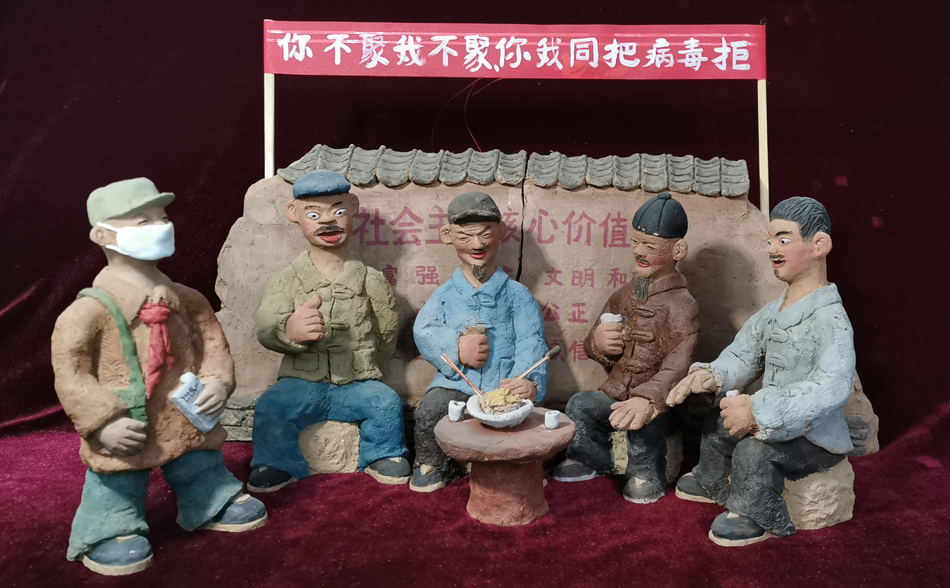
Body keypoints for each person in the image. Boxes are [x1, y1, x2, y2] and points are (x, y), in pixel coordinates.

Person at [51, 177, 266, 576]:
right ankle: (110, 525)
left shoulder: (188, 300)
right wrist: (102, 421)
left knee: (198, 457)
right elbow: (72, 372)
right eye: (142, 221)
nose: (160, 228)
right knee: (118, 474)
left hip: (183, 409)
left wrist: (217, 381)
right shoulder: (88, 312)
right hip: (127, 416)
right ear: (102, 235)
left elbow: (213, 345)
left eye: (162, 218)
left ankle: (210, 498)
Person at [667, 196, 855, 546]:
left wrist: (758, 411)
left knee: (753, 452)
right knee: (718, 425)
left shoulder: (832, 319)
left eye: (783, 239)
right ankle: (711, 479)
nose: (772, 250)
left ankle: (751, 512)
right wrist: (713, 375)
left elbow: (831, 387)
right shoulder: (773, 311)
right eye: (770, 241)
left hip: (813, 435)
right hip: (771, 419)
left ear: (819, 245)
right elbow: (744, 354)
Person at [247, 170, 409, 492]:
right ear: (293, 214)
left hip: (356, 381)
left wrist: (368, 366)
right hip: (303, 381)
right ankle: (276, 461)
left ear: (353, 207)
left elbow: (386, 330)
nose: (327, 221)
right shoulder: (288, 280)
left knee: (385, 403)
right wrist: (289, 331)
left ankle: (383, 453)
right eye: (313, 214)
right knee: (272, 406)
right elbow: (265, 325)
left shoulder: (371, 280)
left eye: (338, 210)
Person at [552, 192, 699, 504]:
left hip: (657, 404)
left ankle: (646, 474)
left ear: (677, 250)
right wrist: (598, 343)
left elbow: (678, 363)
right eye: (636, 242)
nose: (639, 252)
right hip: (616, 392)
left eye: (651, 247)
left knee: (643, 422)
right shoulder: (623, 295)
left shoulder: (682, 305)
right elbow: (593, 340)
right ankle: (591, 459)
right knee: (581, 405)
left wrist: (648, 399)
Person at [411, 191, 548, 492]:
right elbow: (424, 330)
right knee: (431, 410)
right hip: (459, 383)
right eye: (465, 236)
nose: (477, 244)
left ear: (501, 232)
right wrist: (456, 347)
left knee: (520, 419)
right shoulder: (445, 294)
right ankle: (432, 464)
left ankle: (520, 469)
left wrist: (529, 381)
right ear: (447, 235)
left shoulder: (517, 295)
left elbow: (531, 341)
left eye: (485, 234)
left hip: (505, 384)